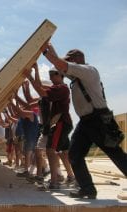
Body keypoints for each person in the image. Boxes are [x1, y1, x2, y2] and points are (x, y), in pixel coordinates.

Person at [41, 42, 127, 198]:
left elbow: (60, 64)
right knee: (75, 154)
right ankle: (87, 189)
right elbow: (60, 64)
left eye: (69, 60)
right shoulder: (76, 76)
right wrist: (49, 45)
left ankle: (87, 189)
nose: (67, 64)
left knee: (116, 154)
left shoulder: (88, 71)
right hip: (86, 122)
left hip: (99, 120)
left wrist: (45, 52)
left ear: (77, 60)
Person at [26, 64, 75, 190]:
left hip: (60, 123)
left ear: (59, 75)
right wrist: (35, 71)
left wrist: (30, 76)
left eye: (52, 75)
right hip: (55, 125)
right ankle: (69, 177)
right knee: (62, 153)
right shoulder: (53, 91)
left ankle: (54, 182)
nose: (51, 78)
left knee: (51, 151)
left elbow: (40, 89)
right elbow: (39, 88)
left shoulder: (61, 89)